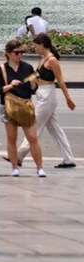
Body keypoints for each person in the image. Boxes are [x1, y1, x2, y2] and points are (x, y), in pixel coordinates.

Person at [14, 34, 77, 169]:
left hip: (48, 95)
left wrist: (68, 98)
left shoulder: (52, 60)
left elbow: (60, 80)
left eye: (36, 45)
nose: (34, 47)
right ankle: (68, 159)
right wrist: (22, 83)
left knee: (35, 126)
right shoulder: (42, 59)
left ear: (42, 44)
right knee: (56, 130)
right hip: (41, 93)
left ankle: (19, 155)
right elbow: (36, 75)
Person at [0, 40, 46, 177]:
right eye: (16, 53)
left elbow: (33, 90)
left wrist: (34, 83)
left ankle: (40, 168)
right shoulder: (2, 69)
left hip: (25, 105)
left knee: (32, 137)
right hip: (8, 106)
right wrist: (10, 85)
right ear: (8, 54)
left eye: (21, 52)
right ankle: (14, 167)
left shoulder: (27, 68)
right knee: (12, 138)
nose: (19, 55)